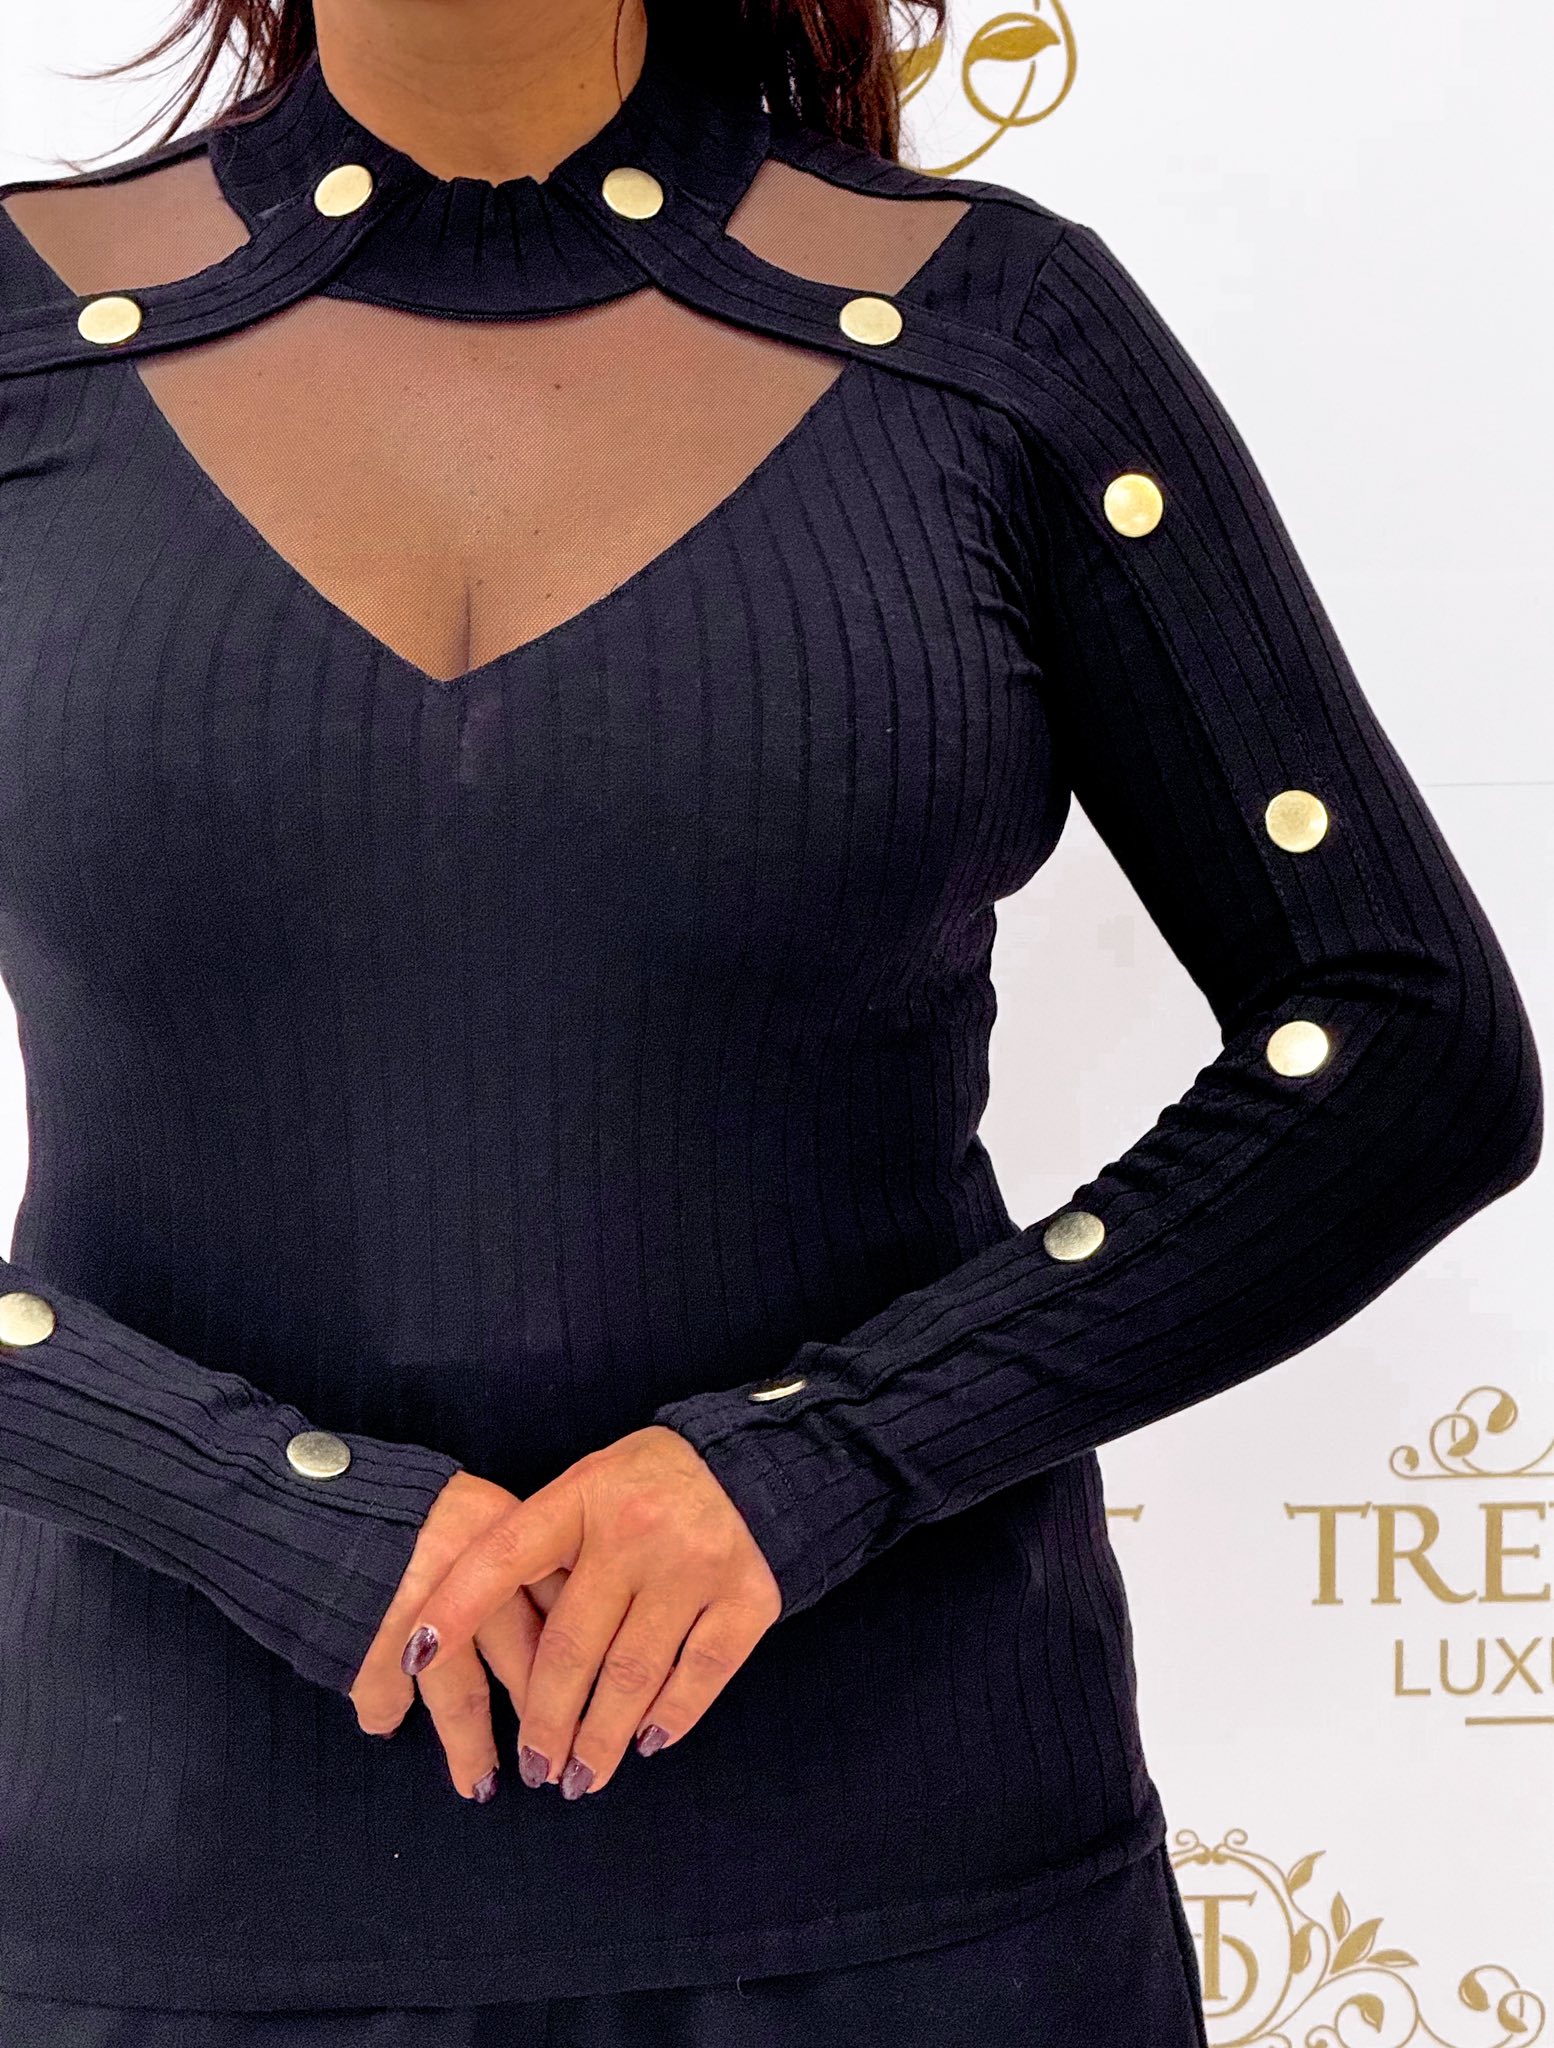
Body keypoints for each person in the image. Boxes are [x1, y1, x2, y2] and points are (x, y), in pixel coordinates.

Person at [0, 0, 1539, 2040]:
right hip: (148, 1915)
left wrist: (825, 1457)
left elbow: (1406, 1045)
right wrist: (234, 1494)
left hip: (924, 1917)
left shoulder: (996, 332)